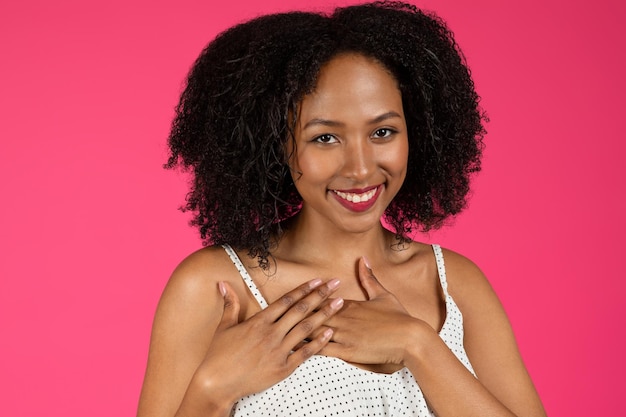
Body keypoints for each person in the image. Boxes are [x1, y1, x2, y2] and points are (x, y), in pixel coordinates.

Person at [137, 2, 546, 416]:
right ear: (277, 144)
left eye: (382, 132)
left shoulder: (455, 284)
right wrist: (212, 388)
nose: (362, 168)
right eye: (325, 138)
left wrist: (417, 345)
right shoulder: (216, 288)